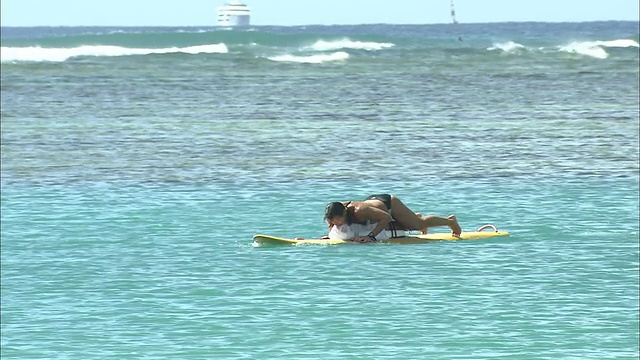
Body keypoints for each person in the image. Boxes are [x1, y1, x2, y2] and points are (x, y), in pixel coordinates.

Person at [324, 194, 462, 243]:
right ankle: (412, 218)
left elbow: (386, 218)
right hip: (374, 207)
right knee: (408, 224)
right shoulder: (333, 214)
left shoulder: (360, 211)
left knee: (418, 225)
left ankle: (450, 221)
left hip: (389, 205)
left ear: (344, 213)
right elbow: (333, 226)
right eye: (332, 220)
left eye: (337, 219)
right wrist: (330, 236)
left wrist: (371, 237)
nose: (336, 223)